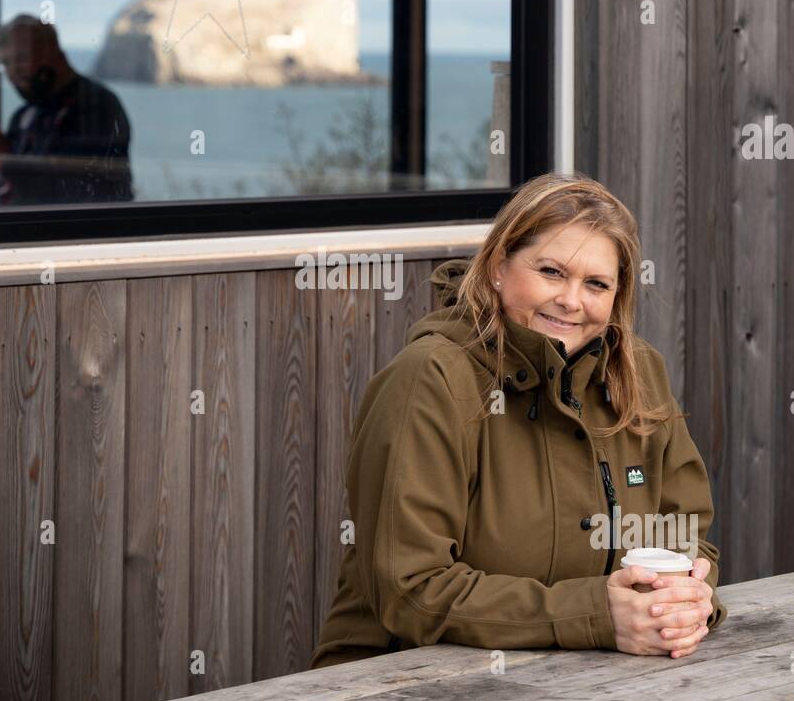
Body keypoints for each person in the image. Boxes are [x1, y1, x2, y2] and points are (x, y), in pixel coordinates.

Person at [310, 172, 727, 668]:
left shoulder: (638, 373)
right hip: (401, 681)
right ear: (497, 267)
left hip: (587, 675)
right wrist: (596, 615)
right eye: (551, 271)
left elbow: (683, 534)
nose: (572, 300)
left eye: (596, 283)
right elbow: (411, 589)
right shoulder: (430, 381)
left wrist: (685, 599)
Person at [0, 14, 134, 204]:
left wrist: (5, 160)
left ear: (54, 52)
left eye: (22, 58)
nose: (14, 73)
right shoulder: (25, 115)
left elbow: (76, 188)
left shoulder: (97, 105)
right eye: (5, 64)